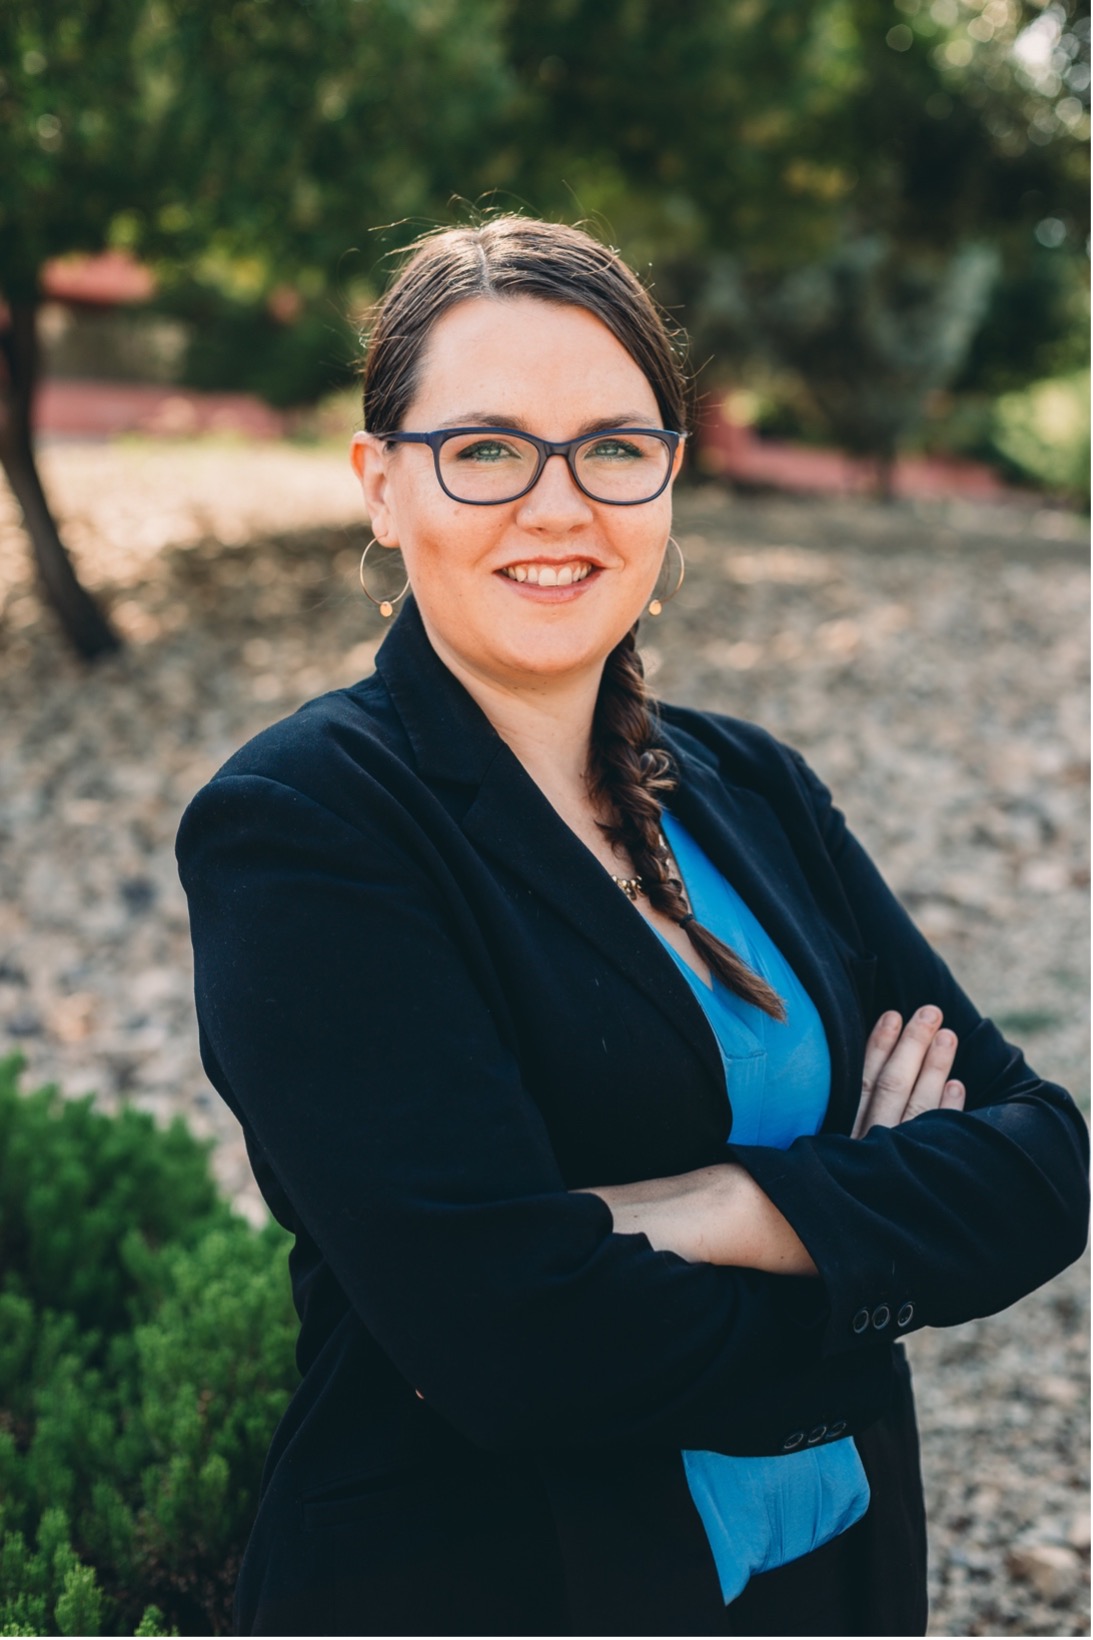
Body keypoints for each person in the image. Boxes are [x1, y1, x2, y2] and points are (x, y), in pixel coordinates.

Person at [176, 216, 1088, 1638]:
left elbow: (1038, 1165)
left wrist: (726, 1208)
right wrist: (870, 1233)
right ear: (378, 485)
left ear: (667, 476)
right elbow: (508, 1342)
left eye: (613, 446)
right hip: (499, 1586)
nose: (558, 506)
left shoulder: (750, 786)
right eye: (484, 450)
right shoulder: (305, 825)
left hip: (827, 1575)